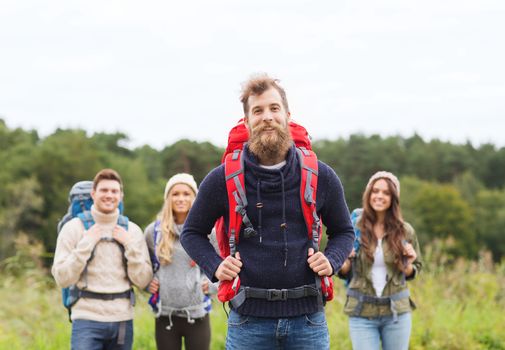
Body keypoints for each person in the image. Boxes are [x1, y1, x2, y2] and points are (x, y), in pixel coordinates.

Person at [180, 74, 354, 350]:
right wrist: (215, 267)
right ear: (247, 121)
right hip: (248, 321)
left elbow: (344, 231)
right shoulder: (222, 178)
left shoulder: (321, 175)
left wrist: (331, 260)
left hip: (308, 320)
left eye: (274, 108)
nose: (267, 117)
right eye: (257, 111)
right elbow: (191, 232)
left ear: (287, 115)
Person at [52, 168, 153, 350]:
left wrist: (130, 245)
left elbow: (143, 280)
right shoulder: (73, 228)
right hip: (86, 319)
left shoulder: (132, 231)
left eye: (114, 191)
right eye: (104, 190)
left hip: (122, 319)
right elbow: (62, 277)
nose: (109, 195)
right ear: (93, 193)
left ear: (121, 195)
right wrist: (86, 244)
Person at [338, 171, 422, 350]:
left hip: (397, 313)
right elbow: (343, 271)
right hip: (361, 312)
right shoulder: (353, 228)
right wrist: (345, 260)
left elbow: (414, 269)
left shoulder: (405, 231)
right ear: (368, 194)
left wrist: (406, 265)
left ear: (394, 198)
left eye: (386, 193)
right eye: (375, 191)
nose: (379, 196)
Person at [145, 173, 216, 350]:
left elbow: (221, 264)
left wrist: (213, 284)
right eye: (175, 194)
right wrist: (147, 283)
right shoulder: (153, 231)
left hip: (197, 314)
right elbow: (143, 265)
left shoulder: (208, 231)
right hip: (165, 316)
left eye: (186, 194)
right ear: (168, 198)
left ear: (195, 197)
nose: (180, 198)